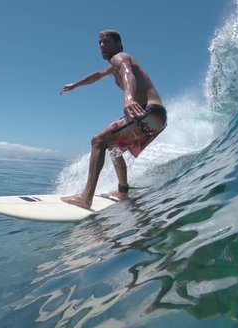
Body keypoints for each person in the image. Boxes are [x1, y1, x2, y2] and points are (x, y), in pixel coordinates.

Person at [60, 29, 167, 209]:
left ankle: (86, 198)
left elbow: (128, 74)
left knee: (98, 141)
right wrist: (75, 85)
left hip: (148, 113)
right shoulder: (113, 66)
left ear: (118, 44)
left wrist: (128, 98)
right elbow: (97, 76)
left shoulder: (121, 58)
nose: (102, 45)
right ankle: (123, 192)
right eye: (100, 43)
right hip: (157, 118)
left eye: (106, 42)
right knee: (113, 148)